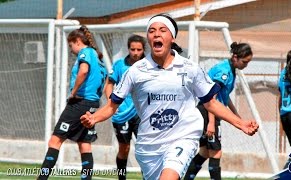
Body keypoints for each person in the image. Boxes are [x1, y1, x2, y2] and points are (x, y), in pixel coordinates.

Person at [80, 13, 258, 180]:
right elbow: (112, 105)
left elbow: (211, 102)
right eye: (152, 31)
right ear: (149, 39)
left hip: (183, 136)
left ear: (172, 38)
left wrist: (240, 123)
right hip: (149, 144)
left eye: (162, 30)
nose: (156, 34)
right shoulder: (135, 71)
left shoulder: (190, 69)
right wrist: (93, 118)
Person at [37, 25, 107, 180]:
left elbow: (83, 71)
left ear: (77, 41)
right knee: (84, 144)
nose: (71, 49)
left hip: (80, 102)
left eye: (71, 45)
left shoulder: (85, 53)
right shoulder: (97, 56)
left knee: (55, 140)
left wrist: (73, 92)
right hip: (92, 103)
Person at [184, 42, 253, 180]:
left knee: (204, 152)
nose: (246, 65)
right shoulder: (224, 72)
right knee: (216, 152)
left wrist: (239, 119)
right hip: (208, 112)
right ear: (235, 57)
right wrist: (211, 123)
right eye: (245, 62)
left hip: (206, 111)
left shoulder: (230, 69)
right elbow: (211, 97)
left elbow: (225, 97)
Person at [104, 34, 146, 180]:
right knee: (124, 148)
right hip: (122, 114)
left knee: (145, 149)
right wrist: (114, 105)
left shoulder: (150, 64)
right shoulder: (119, 65)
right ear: (128, 49)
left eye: (139, 49)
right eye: (132, 49)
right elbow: (108, 86)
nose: (135, 52)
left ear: (143, 49)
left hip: (143, 115)